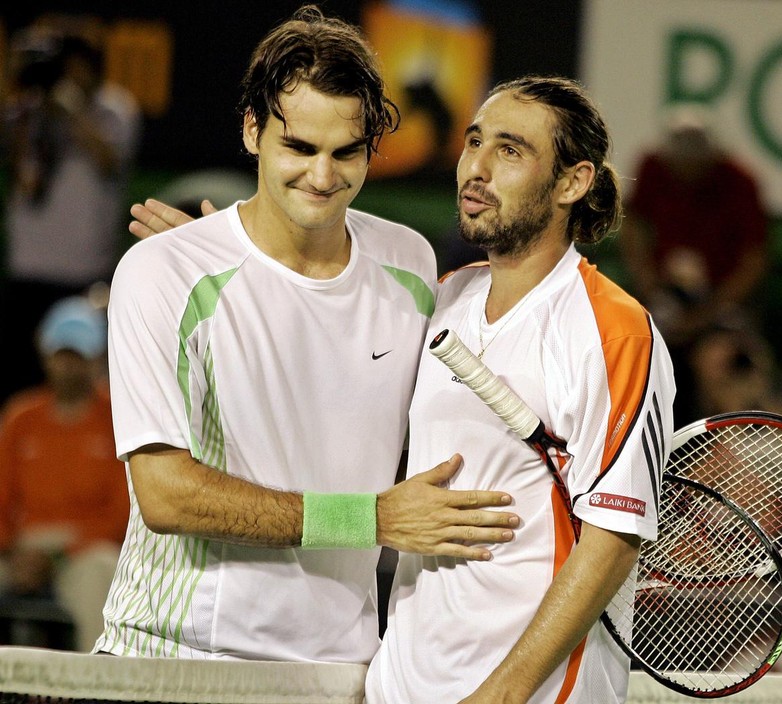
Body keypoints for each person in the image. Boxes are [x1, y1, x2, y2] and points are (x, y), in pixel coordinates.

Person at [131, 74, 675, 702]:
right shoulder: (447, 297)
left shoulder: (613, 331)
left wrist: (497, 698)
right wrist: (225, 257)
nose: (476, 168)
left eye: (510, 150)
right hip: (399, 688)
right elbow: (326, 350)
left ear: (573, 183)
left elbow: (611, 542)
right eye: (474, 143)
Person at [96, 5, 517, 663]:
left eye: (345, 152)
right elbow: (165, 494)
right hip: (178, 657)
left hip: (336, 668)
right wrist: (372, 520)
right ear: (252, 131)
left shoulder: (407, 262)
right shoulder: (164, 274)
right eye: (298, 147)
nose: (322, 178)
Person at [0, 26, 142, 406]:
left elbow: (108, 158)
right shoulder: (27, 110)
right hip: (28, 271)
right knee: (21, 385)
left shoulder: (114, 107)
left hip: (84, 271)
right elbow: (22, 177)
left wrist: (69, 107)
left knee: (88, 389)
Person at [0, 296, 129, 652]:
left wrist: (61, 553)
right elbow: (1, 495)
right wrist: (11, 550)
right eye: (62, 354)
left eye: (79, 356)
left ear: (98, 360)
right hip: (23, 543)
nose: (69, 366)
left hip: (85, 548)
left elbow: (122, 514)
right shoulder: (20, 417)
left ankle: (92, 687)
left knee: (103, 569)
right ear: (45, 355)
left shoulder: (118, 416)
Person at [619, 107, 768, 349]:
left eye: (695, 160)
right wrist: (648, 282)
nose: (688, 168)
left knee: (723, 358)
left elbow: (754, 258)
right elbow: (633, 224)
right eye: (681, 160)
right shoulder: (653, 168)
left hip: (720, 299)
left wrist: (706, 314)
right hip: (660, 294)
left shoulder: (740, 181)